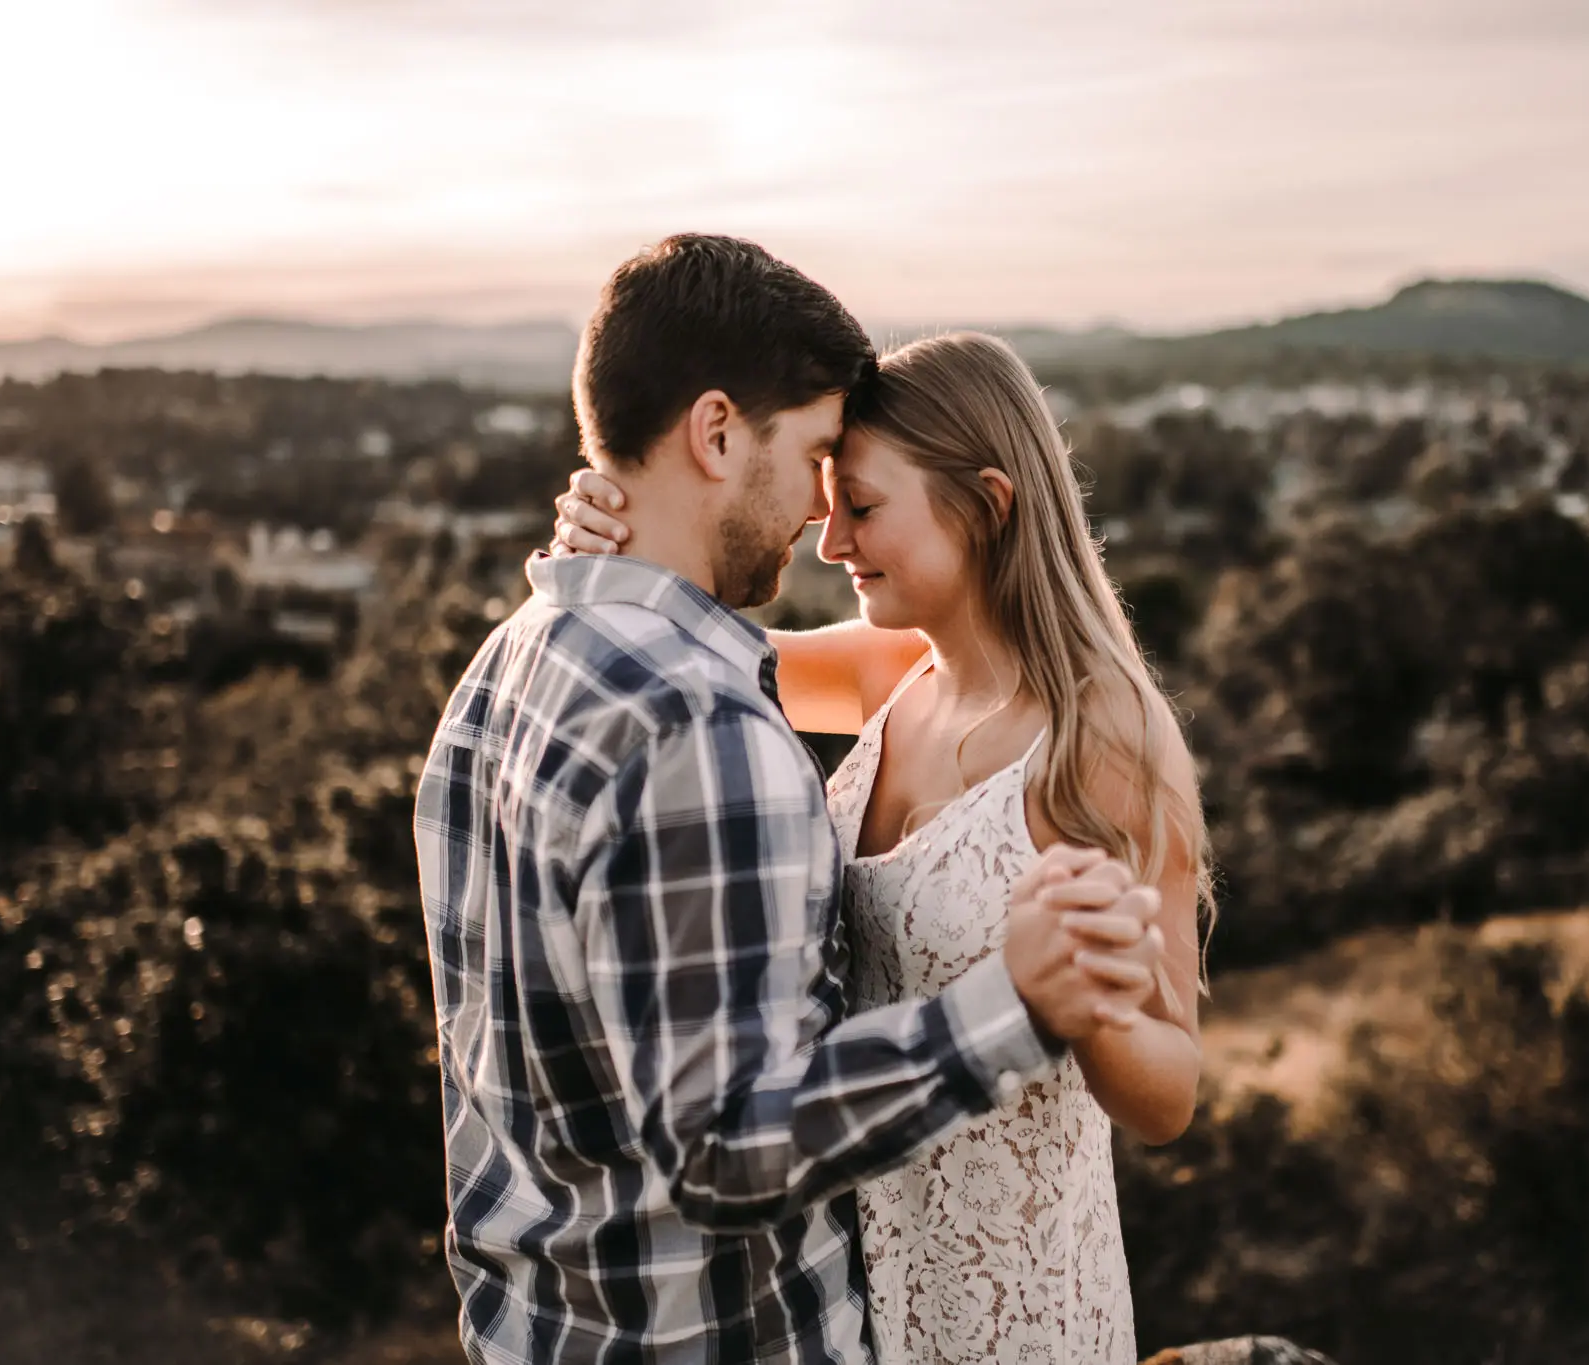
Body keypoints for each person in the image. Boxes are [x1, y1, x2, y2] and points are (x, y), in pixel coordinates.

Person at [414, 234, 1166, 1365]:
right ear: (716, 432)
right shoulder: (702, 729)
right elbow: (724, 1151)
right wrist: (1006, 1008)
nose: (819, 521)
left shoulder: (507, 667)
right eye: (816, 457)